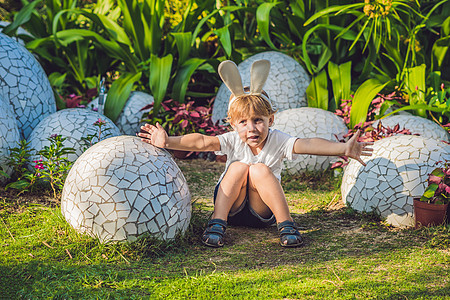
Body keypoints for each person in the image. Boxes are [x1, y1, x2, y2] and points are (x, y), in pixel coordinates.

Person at [138, 60, 373, 248]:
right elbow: (201, 141)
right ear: (232, 124)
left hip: (263, 211)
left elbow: (308, 143)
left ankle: (286, 224)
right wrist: (168, 141)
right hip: (232, 207)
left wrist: (342, 148)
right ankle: (216, 223)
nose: (251, 128)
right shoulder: (231, 140)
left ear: (271, 120)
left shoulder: (278, 139)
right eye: (243, 122)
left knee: (259, 170)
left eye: (258, 120)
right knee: (240, 167)